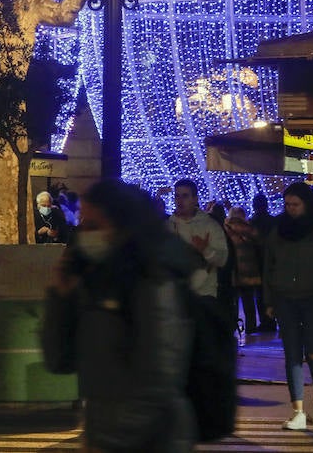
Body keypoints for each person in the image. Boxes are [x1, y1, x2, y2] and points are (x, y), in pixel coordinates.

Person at [42, 179, 196, 452]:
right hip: (105, 431)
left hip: (152, 441)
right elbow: (59, 361)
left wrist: (111, 442)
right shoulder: (94, 280)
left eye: (93, 225)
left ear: (122, 227)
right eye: (82, 223)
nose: (84, 234)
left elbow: (159, 381)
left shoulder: (153, 279)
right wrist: (60, 298)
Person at [263, 181, 313, 431]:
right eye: (287, 205)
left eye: (295, 204)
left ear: (307, 204)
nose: (290, 209)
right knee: (292, 355)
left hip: (312, 299)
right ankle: (297, 411)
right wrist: (270, 300)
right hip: (285, 298)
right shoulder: (279, 231)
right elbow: (269, 267)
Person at [168, 179, 228, 301]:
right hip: (176, 296)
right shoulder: (168, 226)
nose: (180, 200)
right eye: (177, 196)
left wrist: (206, 250)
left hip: (203, 295)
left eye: (185, 196)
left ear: (195, 199)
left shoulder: (209, 225)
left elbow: (222, 259)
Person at [224, 207, 263, 339]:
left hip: (233, 269)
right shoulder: (248, 228)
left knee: (233, 301)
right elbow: (259, 240)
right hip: (248, 268)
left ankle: (233, 327)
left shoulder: (226, 227)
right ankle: (251, 327)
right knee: (248, 301)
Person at [249, 194, 277, 332]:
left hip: (257, 261)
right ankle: (271, 320)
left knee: (260, 294)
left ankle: (265, 320)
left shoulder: (253, 222)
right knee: (270, 292)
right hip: (272, 261)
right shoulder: (272, 221)